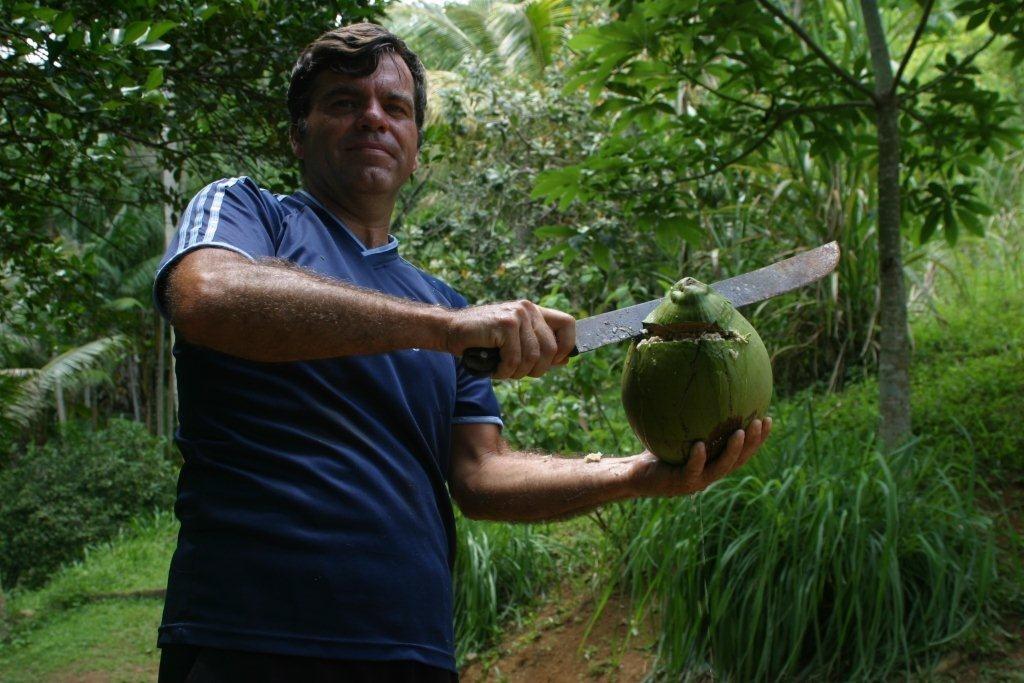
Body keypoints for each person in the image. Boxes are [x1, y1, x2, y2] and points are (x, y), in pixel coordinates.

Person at [154, 22, 771, 683]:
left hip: (411, 651)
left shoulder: (442, 304)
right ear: (297, 135)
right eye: (343, 101)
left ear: (416, 148)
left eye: (395, 106)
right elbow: (206, 295)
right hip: (250, 637)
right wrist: (444, 329)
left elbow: (480, 476)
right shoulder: (251, 214)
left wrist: (635, 475)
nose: (372, 117)